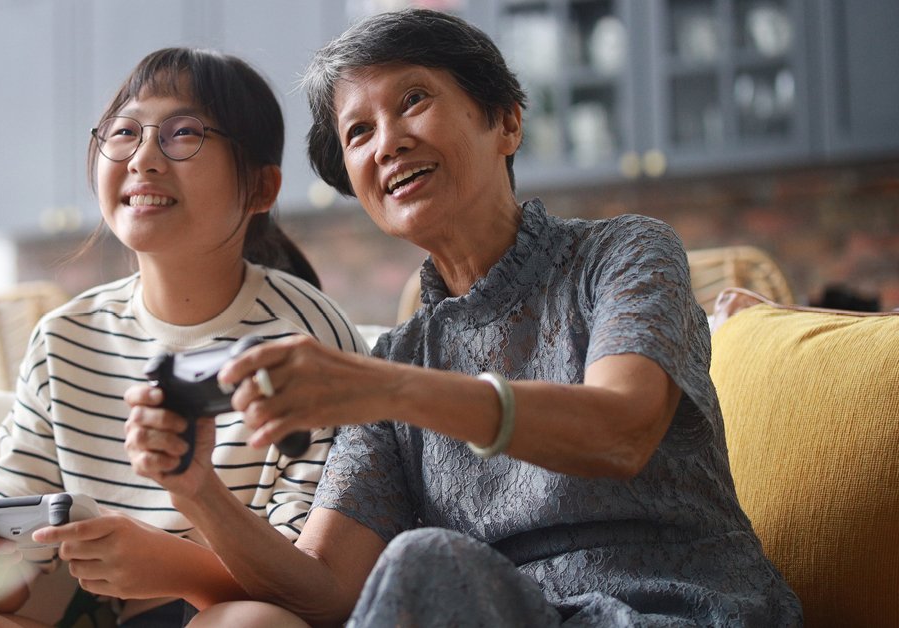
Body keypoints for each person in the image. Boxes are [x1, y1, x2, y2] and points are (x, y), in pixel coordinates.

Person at [123, 10, 802, 627]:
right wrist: (197, 493)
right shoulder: (395, 359)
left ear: (506, 121)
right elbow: (326, 588)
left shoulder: (621, 254)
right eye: (358, 132)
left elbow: (621, 430)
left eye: (413, 100)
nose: (387, 142)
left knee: (425, 562)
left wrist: (387, 389)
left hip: (682, 610)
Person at [0, 47, 366, 628]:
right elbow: (9, 576)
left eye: (184, 134)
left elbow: (308, 590)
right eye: (124, 132)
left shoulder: (308, 342)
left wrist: (178, 567)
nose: (143, 157)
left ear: (261, 188)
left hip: (218, 616)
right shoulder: (64, 337)